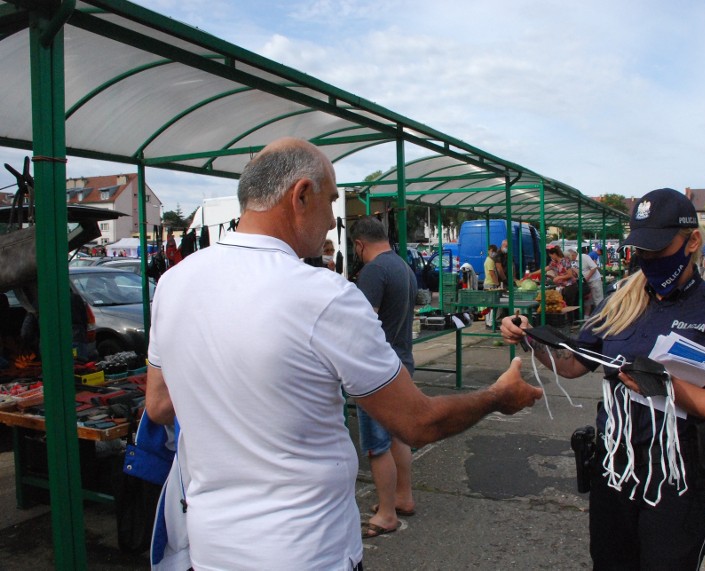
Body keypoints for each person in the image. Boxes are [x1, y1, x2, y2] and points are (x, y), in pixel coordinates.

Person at [144, 138, 542, 570]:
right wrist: (496, 397)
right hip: (306, 551)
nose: (334, 219)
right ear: (301, 195)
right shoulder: (323, 295)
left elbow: (160, 406)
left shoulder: (174, 283)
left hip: (211, 549)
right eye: (331, 200)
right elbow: (417, 422)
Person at [501, 187, 705, 570]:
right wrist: (531, 339)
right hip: (614, 470)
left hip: (677, 478)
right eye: (641, 250)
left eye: (658, 250)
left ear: (692, 242)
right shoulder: (620, 300)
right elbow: (574, 365)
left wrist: (668, 385)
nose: (648, 260)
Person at [349, 216, 418, 538]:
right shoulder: (403, 267)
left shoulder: (375, 271)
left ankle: (387, 513)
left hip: (377, 371)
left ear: (359, 244)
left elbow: (363, 323)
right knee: (397, 436)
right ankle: (402, 497)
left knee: (376, 445)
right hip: (403, 360)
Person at [567, 248, 604, 315]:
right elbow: (581, 272)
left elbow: (594, 267)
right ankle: (587, 316)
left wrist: (586, 278)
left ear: (572, 255)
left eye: (568, 257)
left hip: (594, 281)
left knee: (598, 299)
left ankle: (601, 315)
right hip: (586, 283)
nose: (568, 259)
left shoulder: (583, 257)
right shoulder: (574, 262)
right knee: (587, 301)